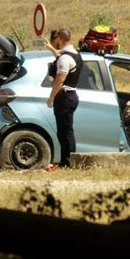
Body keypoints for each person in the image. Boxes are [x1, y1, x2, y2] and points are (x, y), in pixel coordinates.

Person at [44, 28, 83, 170]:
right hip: (70, 96)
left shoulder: (65, 58)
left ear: (59, 39)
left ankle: (68, 163)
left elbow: (59, 80)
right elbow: (61, 56)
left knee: (65, 132)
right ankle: (66, 161)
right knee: (65, 130)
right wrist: (50, 49)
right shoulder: (74, 54)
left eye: (56, 40)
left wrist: (51, 97)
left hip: (64, 97)